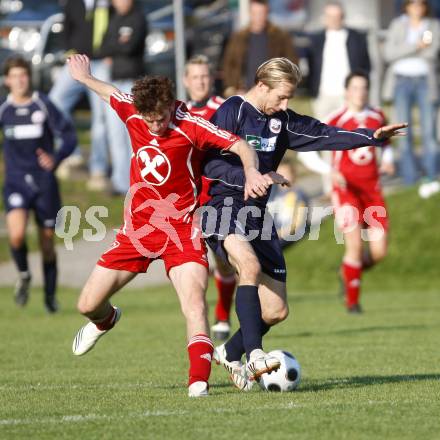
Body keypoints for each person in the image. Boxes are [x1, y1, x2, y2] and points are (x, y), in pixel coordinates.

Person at [66, 53, 274, 397]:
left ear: (169, 105)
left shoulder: (191, 124)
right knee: (87, 305)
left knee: (194, 303)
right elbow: (110, 93)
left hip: (182, 229)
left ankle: (198, 384)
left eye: (160, 118)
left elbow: (238, 145)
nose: (154, 126)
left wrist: (252, 171)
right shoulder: (134, 111)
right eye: (148, 119)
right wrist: (85, 77)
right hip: (140, 229)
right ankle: (106, 320)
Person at [201, 57, 407, 390]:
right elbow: (208, 164)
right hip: (222, 206)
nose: (285, 105)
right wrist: (247, 176)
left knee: (276, 311)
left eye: (289, 98)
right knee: (248, 267)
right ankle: (255, 357)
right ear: (262, 85)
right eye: (280, 97)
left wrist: (371, 137)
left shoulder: (280, 121)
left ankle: (229, 351)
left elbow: (324, 134)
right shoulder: (232, 111)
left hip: (257, 215)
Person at [0, 56, 76, 312]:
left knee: (47, 245)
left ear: (29, 77)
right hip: (16, 182)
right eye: (15, 76)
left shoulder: (42, 104)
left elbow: (68, 135)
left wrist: (56, 157)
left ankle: (50, 298)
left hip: (44, 183)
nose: (20, 80)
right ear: (7, 80)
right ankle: (23, 274)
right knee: (17, 235)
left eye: (24, 75)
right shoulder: (4, 108)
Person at [326, 71, 394, 313]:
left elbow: (386, 143)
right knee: (354, 246)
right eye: (355, 87)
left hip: (372, 191)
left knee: (378, 252)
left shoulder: (377, 116)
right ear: (346, 91)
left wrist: (387, 159)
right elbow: (313, 147)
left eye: (364, 87)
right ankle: (353, 303)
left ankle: (347, 271)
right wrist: (330, 171)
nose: (360, 92)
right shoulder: (336, 119)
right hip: (346, 191)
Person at [183, 54, 235, 341]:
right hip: (186, 200)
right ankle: (199, 327)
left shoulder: (224, 110)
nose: (201, 81)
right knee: (193, 267)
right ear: (186, 80)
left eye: (205, 76)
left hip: (216, 196)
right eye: (195, 77)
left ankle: (224, 315)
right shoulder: (179, 113)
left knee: (224, 261)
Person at [306, 1, 371, 195]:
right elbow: (310, 65)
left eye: (337, 16)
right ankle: (330, 187)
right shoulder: (316, 39)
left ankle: (354, 183)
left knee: (350, 140)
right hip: (324, 96)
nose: (334, 20)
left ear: (343, 17)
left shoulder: (356, 37)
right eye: (330, 16)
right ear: (325, 18)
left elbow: (366, 65)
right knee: (325, 141)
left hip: (348, 97)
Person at [49, 0, 112, 191]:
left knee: (101, 115)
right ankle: (71, 153)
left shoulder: (110, 4)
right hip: (76, 62)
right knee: (55, 101)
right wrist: (70, 55)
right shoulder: (73, 3)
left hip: (101, 64)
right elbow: (66, 30)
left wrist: (112, 54)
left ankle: (98, 169)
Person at [383, 0, 440, 196]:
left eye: (421, 4)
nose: (417, 8)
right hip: (401, 82)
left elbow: (432, 53)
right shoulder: (398, 24)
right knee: (403, 132)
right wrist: (416, 46)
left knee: (429, 131)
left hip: (425, 82)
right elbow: (389, 53)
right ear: (406, 6)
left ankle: (431, 176)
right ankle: (409, 179)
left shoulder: (433, 26)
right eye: (413, 4)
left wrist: (406, 49)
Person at [98, 0, 147, 195]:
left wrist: (115, 47)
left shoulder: (138, 18)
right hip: (114, 83)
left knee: (133, 134)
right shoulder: (113, 18)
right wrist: (117, 44)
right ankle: (120, 182)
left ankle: (137, 182)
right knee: (115, 133)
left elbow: (130, 47)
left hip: (133, 84)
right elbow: (103, 46)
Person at [221, 0, 298, 97]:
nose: (259, 17)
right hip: (245, 92)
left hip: (271, 92)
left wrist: (281, 86)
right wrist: (233, 87)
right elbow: (229, 64)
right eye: (255, 13)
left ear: (267, 13)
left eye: (262, 13)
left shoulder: (280, 36)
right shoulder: (238, 37)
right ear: (250, 13)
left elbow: (292, 63)